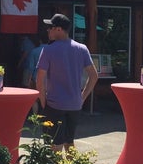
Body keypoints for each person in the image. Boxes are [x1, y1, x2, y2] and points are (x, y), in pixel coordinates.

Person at [36, 14, 98, 152]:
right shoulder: (82, 49)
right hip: (75, 104)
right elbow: (94, 76)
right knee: (69, 142)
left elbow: (40, 79)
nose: (48, 30)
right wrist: (82, 97)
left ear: (58, 29)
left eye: (50, 27)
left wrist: (43, 101)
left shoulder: (48, 50)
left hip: (54, 103)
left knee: (54, 144)